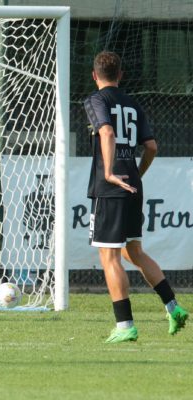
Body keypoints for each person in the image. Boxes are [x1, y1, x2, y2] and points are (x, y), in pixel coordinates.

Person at [84, 51, 188, 343]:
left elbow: (105, 131)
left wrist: (108, 172)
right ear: (121, 75)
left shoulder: (95, 100)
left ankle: (124, 325)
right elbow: (152, 146)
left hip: (111, 187)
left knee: (109, 256)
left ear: (94, 76)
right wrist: (138, 172)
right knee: (134, 252)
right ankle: (173, 306)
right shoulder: (132, 103)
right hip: (133, 185)